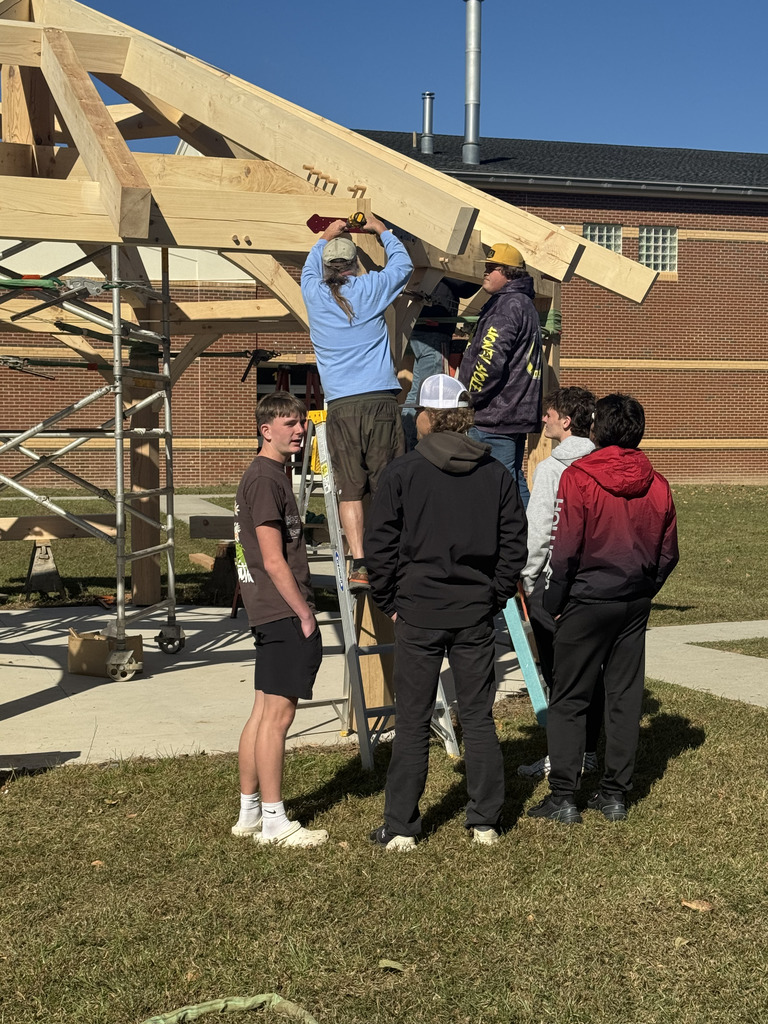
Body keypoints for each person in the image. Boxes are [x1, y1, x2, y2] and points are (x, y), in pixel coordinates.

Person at [364, 373, 528, 850]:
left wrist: (391, 601)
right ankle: (485, 821)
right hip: (473, 613)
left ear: (428, 418)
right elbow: (512, 547)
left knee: (412, 718)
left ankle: (401, 827)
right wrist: (493, 596)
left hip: (419, 612)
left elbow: (380, 549)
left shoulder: (402, 473)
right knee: (477, 716)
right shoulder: (496, 473)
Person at [528, 394, 679, 825]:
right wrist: (646, 588)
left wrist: (553, 601)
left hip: (586, 599)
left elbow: (566, 549)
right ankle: (615, 794)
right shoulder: (659, 483)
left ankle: (563, 796)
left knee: (569, 696)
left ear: (596, 428)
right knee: (624, 696)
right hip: (632, 602)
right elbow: (668, 553)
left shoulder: (579, 477)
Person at [231, 391, 328, 848]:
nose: (299, 430)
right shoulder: (266, 479)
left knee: (261, 711)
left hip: (266, 610)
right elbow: (273, 559)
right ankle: (274, 820)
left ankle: (250, 811)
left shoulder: (266, 475)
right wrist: (305, 614)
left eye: (301, 423)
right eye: (288, 424)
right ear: (265, 430)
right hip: (280, 609)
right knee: (278, 718)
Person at [301, 214, 413, 590]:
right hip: (380, 402)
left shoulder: (314, 294)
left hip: (341, 408)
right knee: (387, 484)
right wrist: (383, 232)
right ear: (353, 264)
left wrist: (323, 237)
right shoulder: (370, 288)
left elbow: (308, 270)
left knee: (350, 489)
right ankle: (392, 556)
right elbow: (404, 265)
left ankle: (360, 563)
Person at [517, 386, 604, 780]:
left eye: (549, 414)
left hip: (556, 587)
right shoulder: (603, 462)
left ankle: (561, 758)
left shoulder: (553, 469)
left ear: (566, 421)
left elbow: (538, 535)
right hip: (598, 585)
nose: (544, 419)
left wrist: (529, 579)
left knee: (558, 677)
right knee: (593, 672)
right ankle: (588, 752)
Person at [458, 242, 543, 507]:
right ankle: (532, 540)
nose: (486, 272)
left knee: (499, 489)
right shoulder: (521, 303)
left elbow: (489, 360)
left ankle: (518, 543)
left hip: (495, 415)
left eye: (492, 268)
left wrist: (468, 396)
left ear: (509, 273)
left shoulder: (507, 305)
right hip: (511, 414)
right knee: (513, 481)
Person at [401, 277, 478, 450]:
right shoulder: (441, 266)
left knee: (419, 391)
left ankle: (410, 442)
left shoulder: (438, 267)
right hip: (433, 330)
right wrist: (476, 274)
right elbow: (463, 286)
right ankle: (415, 444)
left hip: (429, 328)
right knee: (429, 394)